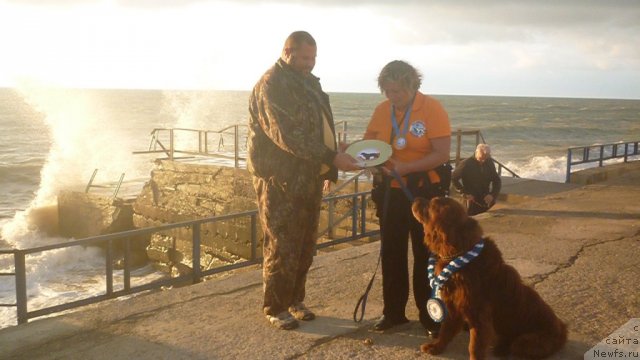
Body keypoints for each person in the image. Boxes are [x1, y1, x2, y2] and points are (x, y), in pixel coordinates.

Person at [247, 31, 359, 330]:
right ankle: (275, 306)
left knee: (306, 244)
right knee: (282, 243)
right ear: (287, 52)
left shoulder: (309, 83)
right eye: (304, 57)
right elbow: (287, 135)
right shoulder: (273, 84)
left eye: (313, 58)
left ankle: (295, 299)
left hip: (309, 175)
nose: (310, 63)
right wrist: (331, 157)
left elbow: (317, 127)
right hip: (279, 179)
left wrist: (333, 155)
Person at [363, 60, 451, 337]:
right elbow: (369, 148)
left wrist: (407, 168)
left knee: (427, 255)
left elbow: (441, 154)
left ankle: (432, 318)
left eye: (398, 91)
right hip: (390, 193)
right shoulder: (381, 111)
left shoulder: (432, 108)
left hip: (423, 193)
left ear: (413, 86)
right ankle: (393, 314)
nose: (393, 97)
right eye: (388, 91)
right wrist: (368, 161)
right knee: (391, 253)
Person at [452, 143, 502, 215]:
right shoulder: (466, 164)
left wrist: (492, 195)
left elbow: (497, 180)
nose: (483, 161)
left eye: (486, 157)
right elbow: (453, 179)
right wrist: (464, 193)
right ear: (476, 152)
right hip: (471, 199)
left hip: (485, 199)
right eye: (481, 158)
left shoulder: (489, 162)